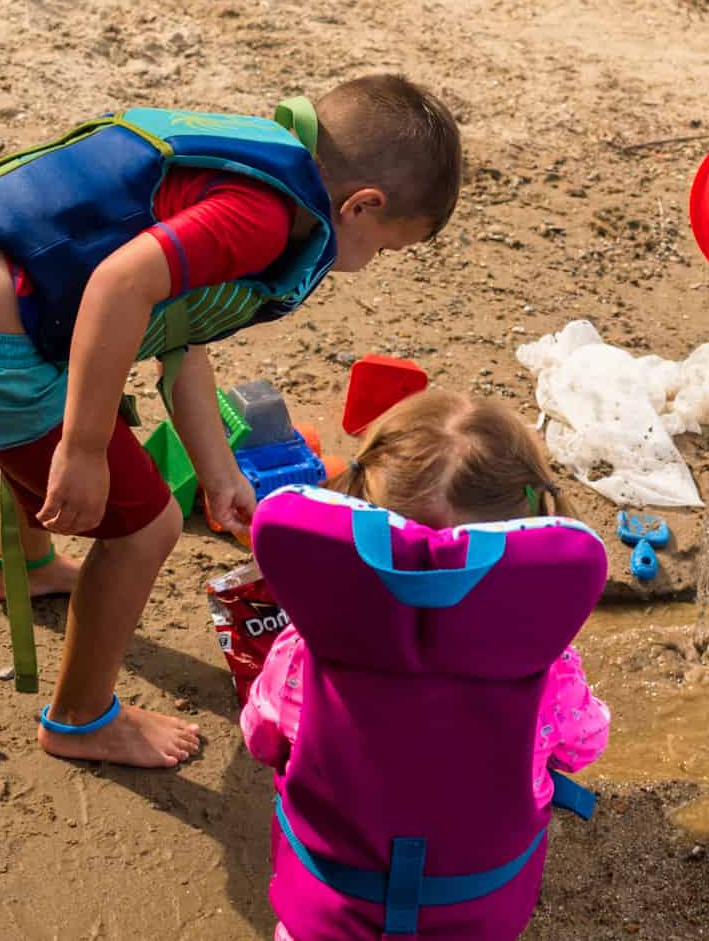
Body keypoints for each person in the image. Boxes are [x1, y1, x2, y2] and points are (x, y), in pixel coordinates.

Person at [0, 75, 461, 768]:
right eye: (385, 249)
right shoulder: (266, 216)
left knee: (66, 411)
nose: (369, 266)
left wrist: (219, 474)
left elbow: (181, 331)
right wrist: (87, 447)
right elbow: (118, 285)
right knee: (144, 523)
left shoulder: (251, 163)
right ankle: (79, 718)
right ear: (363, 205)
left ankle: (27, 566)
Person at [242, 390, 610, 941]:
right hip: (475, 909)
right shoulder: (549, 670)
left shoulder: (303, 650)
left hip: (331, 905)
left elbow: (262, 737)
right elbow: (582, 746)